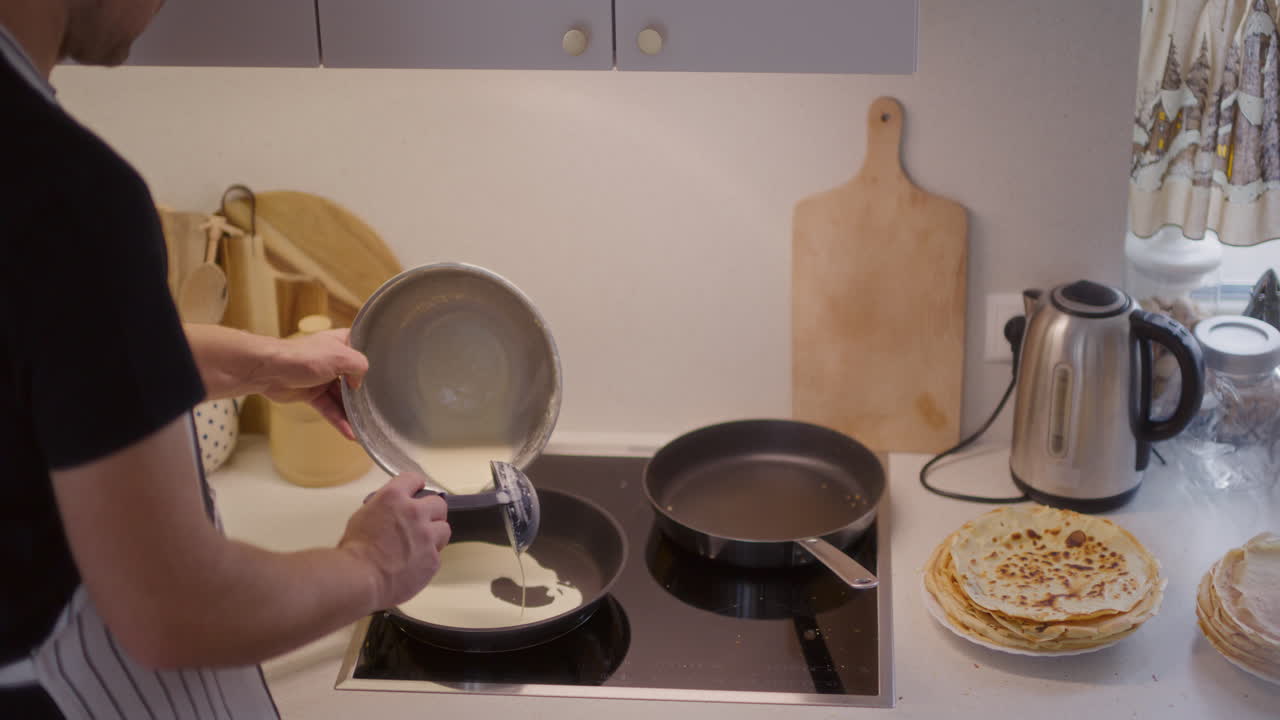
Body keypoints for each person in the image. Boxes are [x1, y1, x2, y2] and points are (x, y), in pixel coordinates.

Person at [0, 2, 452, 717]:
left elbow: (39, 362)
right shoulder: (64, 194)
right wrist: (371, 564)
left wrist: (258, 363)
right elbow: (173, 607)